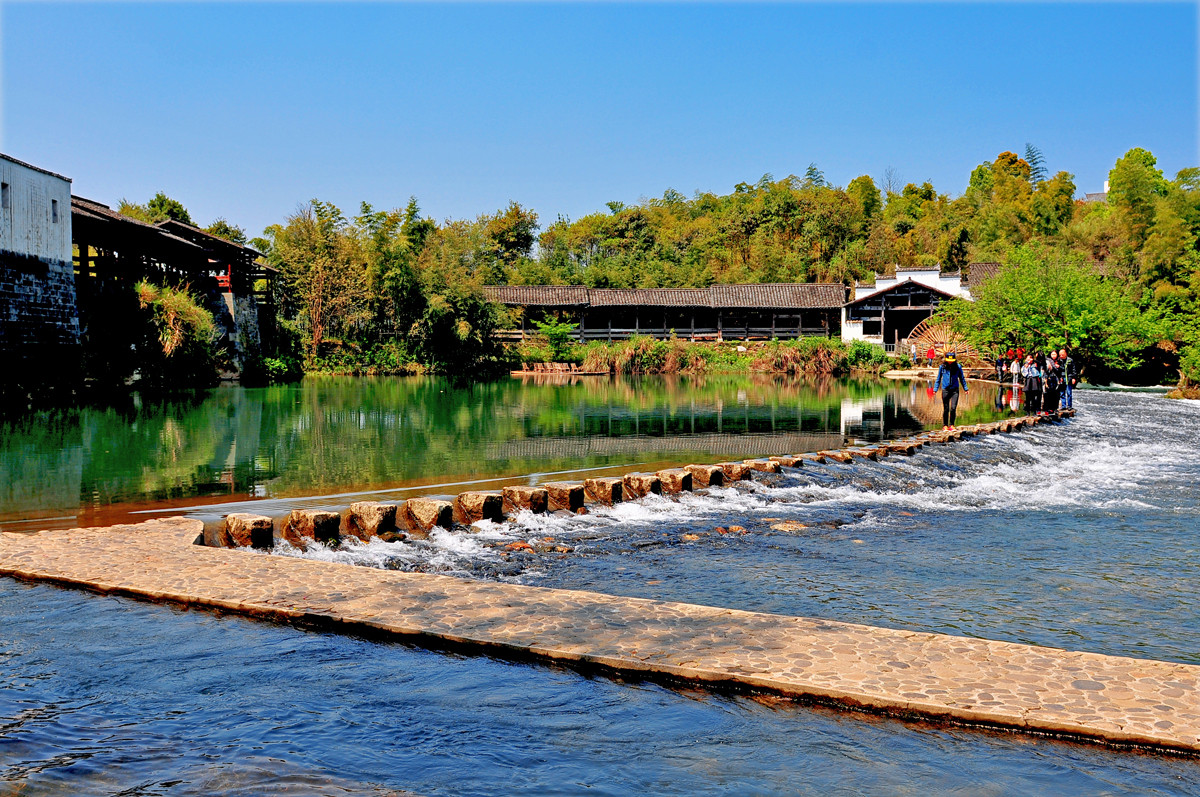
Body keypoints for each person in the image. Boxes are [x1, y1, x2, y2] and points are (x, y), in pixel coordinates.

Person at [934, 352, 970, 430]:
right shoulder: (942, 367)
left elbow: (962, 378)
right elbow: (938, 378)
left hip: (955, 390)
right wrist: (935, 389)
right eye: (948, 360)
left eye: (951, 360)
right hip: (945, 390)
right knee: (946, 408)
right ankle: (945, 425)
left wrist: (965, 388)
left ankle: (952, 424)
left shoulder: (958, 367)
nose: (950, 362)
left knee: (953, 408)